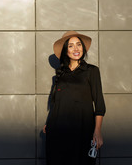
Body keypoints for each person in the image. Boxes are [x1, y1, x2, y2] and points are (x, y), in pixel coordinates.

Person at [43, 31, 106, 165]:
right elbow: (58, 102)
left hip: (83, 129)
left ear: (83, 48)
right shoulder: (60, 73)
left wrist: (97, 131)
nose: (76, 49)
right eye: (71, 46)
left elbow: (99, 104)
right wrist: (49, 123)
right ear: (66, 50)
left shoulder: (92, 71)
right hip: (58, 130)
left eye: (78, 44)